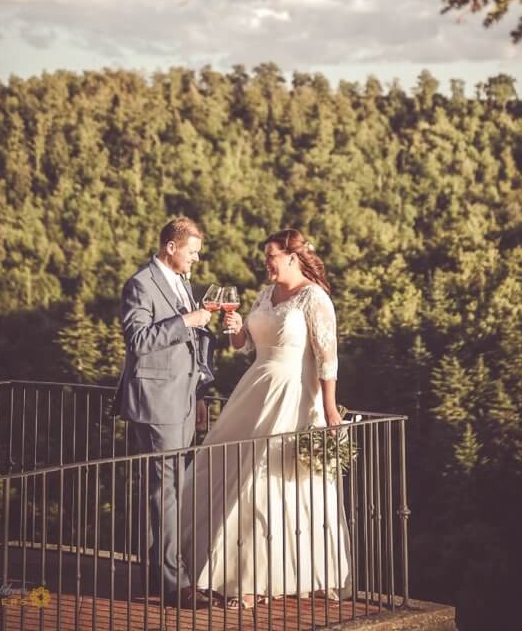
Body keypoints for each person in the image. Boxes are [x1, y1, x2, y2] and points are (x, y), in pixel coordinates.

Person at [182, 228, 351, 608]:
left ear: (292, 256)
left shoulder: (315, 297)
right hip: (254, 389)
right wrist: (238, 330)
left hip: (293, 395)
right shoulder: (266, 294)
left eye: (271, 256)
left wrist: (328, 408)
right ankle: (221, 568)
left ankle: (259, 578)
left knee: (270, 478)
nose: (266, 263)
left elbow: (328, 357)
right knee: (228, 467)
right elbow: (248, 347)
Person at [114, 216, 214, 608]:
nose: (196, 259)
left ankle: (159, 575)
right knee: (166, 492)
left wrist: (200, 394)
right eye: (192, 252)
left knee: (168, 491)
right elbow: (137, 340)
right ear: (170, 247)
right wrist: (186, 320)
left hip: (183, 400)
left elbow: (192, 347)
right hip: (157, 404)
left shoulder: (182, 282)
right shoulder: (140, 283)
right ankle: (176, 585)